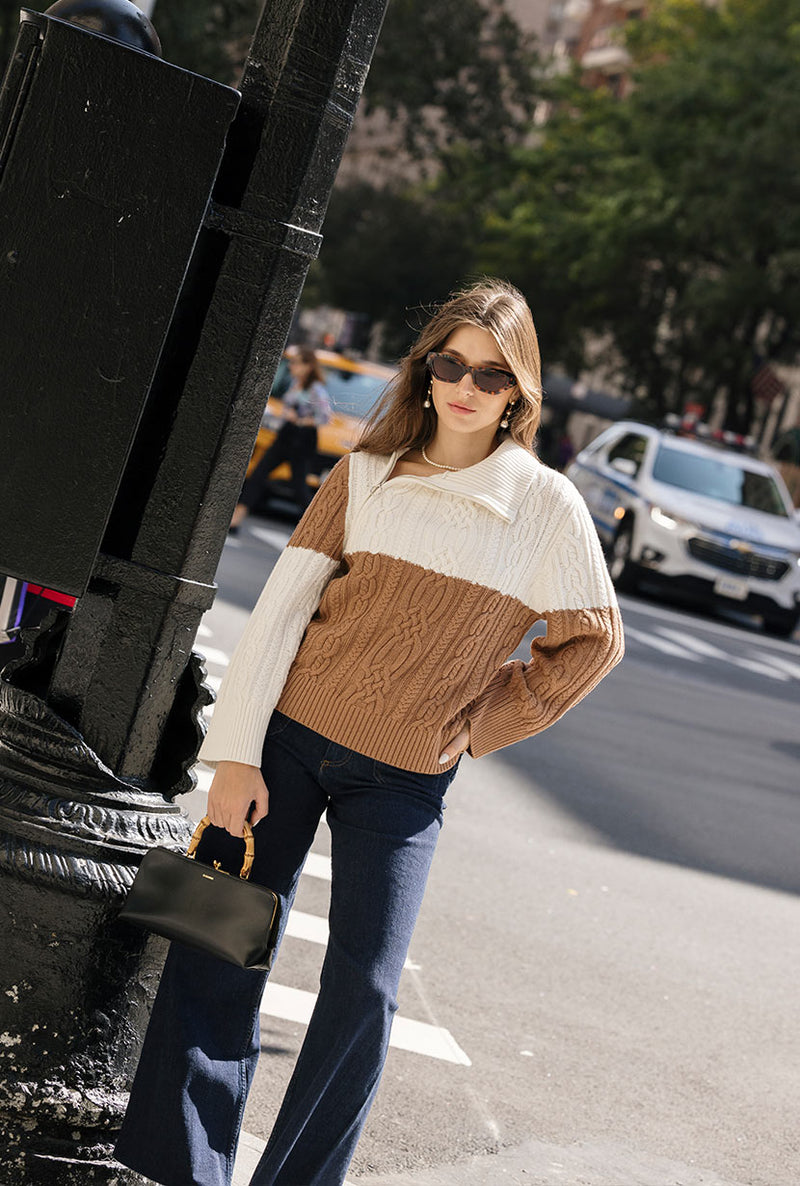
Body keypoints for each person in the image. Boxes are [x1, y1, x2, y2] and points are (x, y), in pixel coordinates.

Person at [114, 279, 624, 1186]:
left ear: (520, 396)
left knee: (366, 993)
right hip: (289, 745)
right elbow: (278, 613)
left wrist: (476, 726)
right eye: (452, 363)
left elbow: (592, 643)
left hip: (406, 780)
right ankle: (180, 1171)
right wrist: (234, 758)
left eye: (493, 375)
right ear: (427, 373)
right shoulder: (362, 476)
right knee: (217, 948)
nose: (468, 385)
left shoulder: (546, 508)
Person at [230, 346, 332, 529]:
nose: (291, 366)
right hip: (286, 435)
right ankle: (237, 518)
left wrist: (301, 420)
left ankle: (319, 525)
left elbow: (324, 417)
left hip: (302, 440)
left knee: (299, 486)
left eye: (296, 363)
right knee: (259, 474)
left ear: (308, 366)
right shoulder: (294, 384)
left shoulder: (316, 390)